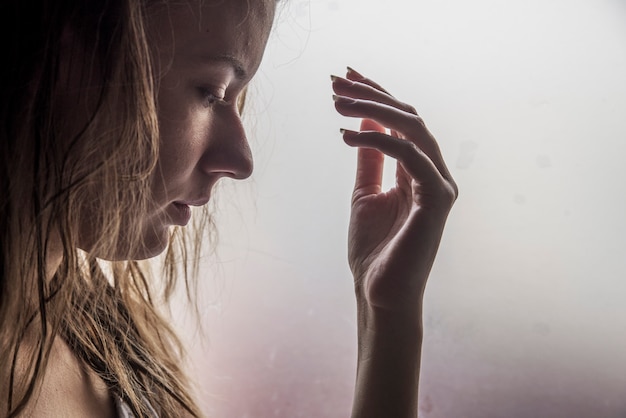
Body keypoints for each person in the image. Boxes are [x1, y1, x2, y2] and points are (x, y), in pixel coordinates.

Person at [0, 0, 457, 416]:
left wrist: (387, 311)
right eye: (211, 91)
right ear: (62, 64)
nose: (240, 161)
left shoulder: (104, 336)